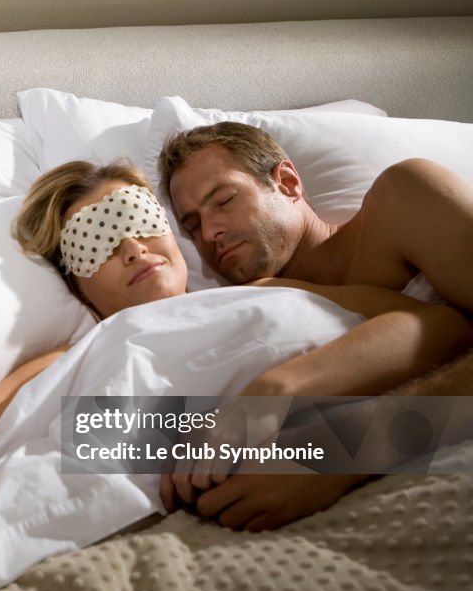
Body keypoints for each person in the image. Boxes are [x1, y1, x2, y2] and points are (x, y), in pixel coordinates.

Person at [0, 160, 472, 591]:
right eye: (95, 240)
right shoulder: (71, 358)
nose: (129, 246)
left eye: (138, 218)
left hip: (376, 468)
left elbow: (439, 326)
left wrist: (282, 386)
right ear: (78, 289)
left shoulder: (271, 292)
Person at [157, 122, 473, 517]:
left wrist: (346, 447)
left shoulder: (401, 198)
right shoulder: (242, 313)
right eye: (191, 226)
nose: (209, 231)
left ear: (288, 183)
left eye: (223, 200)